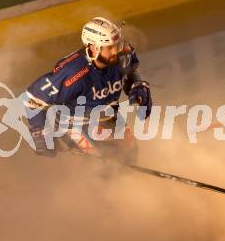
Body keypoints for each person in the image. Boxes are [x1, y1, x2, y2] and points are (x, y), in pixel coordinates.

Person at [24, 17, 152, 161]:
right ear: (93, 48)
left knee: (130, 152)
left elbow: (129, 71)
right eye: (110, 47)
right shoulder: (73, 74)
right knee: (106, 161)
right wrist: (40, 133)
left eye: (118, 44)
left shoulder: (123, 54)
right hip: (75, 122)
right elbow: (32, 99)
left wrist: (137, 84)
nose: (116, 50)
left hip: (105, 113)